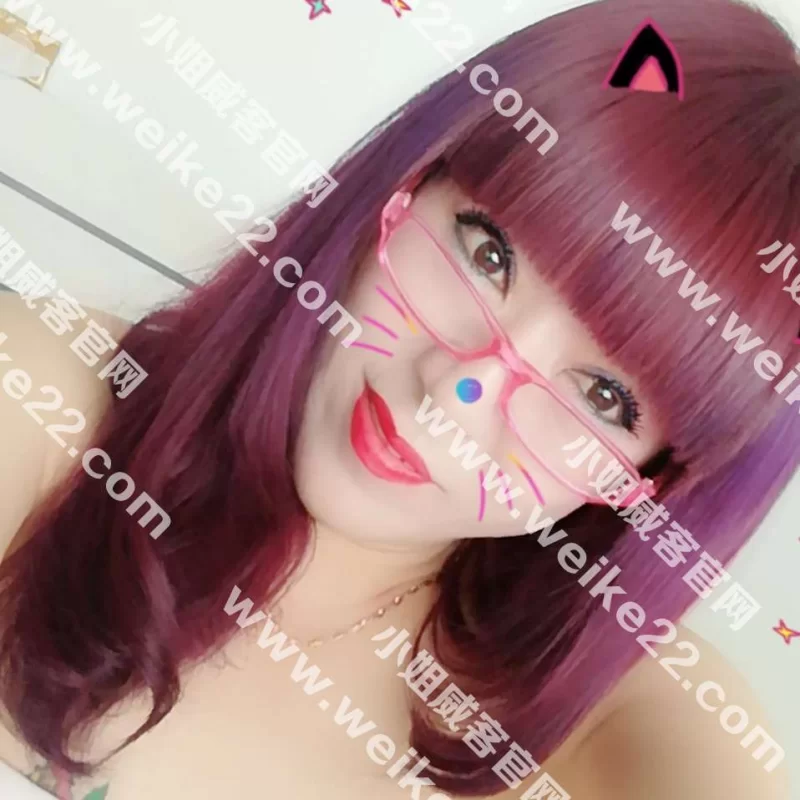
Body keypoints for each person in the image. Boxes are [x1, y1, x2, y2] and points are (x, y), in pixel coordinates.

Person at [0, 0, 797, 797]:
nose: (455, 392)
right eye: (488, 254)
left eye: (604, 395)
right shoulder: (47, 398)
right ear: (408, 182)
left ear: (652, 478)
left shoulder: (609, 720)